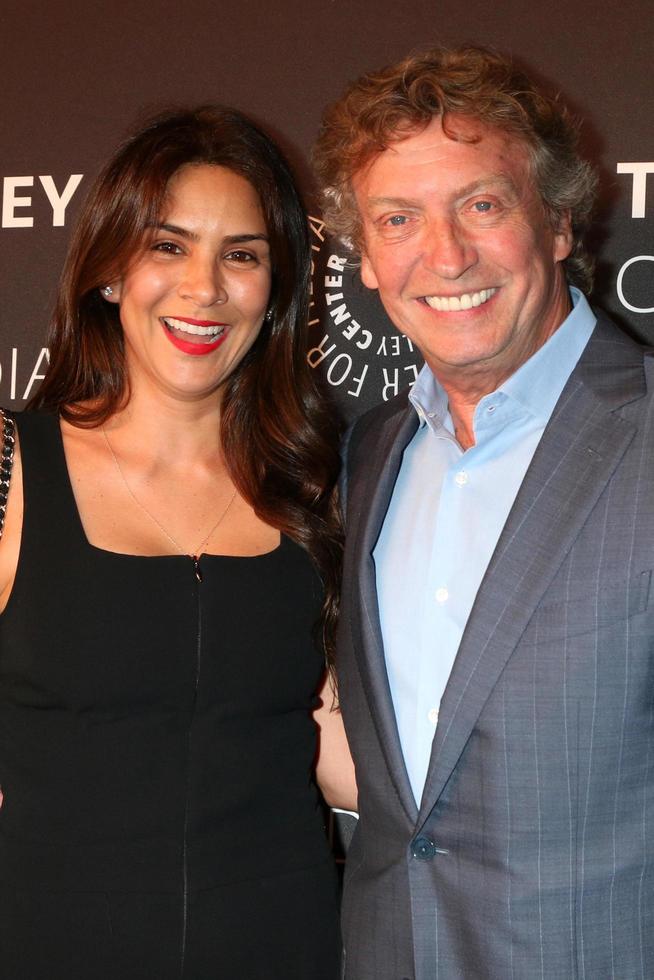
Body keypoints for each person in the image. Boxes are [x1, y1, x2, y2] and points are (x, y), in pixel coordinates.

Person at [313, 44, 654, 979]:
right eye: (398, 219)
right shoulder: (371, 451)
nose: (446, 256)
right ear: (369, 261)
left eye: (482, 203)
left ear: (556, 222)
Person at [0, 105, 356, 980]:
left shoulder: (321, 489)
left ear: (275, 290)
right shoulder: (8, 466)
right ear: (110, 271)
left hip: (283, 947)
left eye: (242, 254)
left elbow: (345, 760)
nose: (204, 287)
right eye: (167, 246)